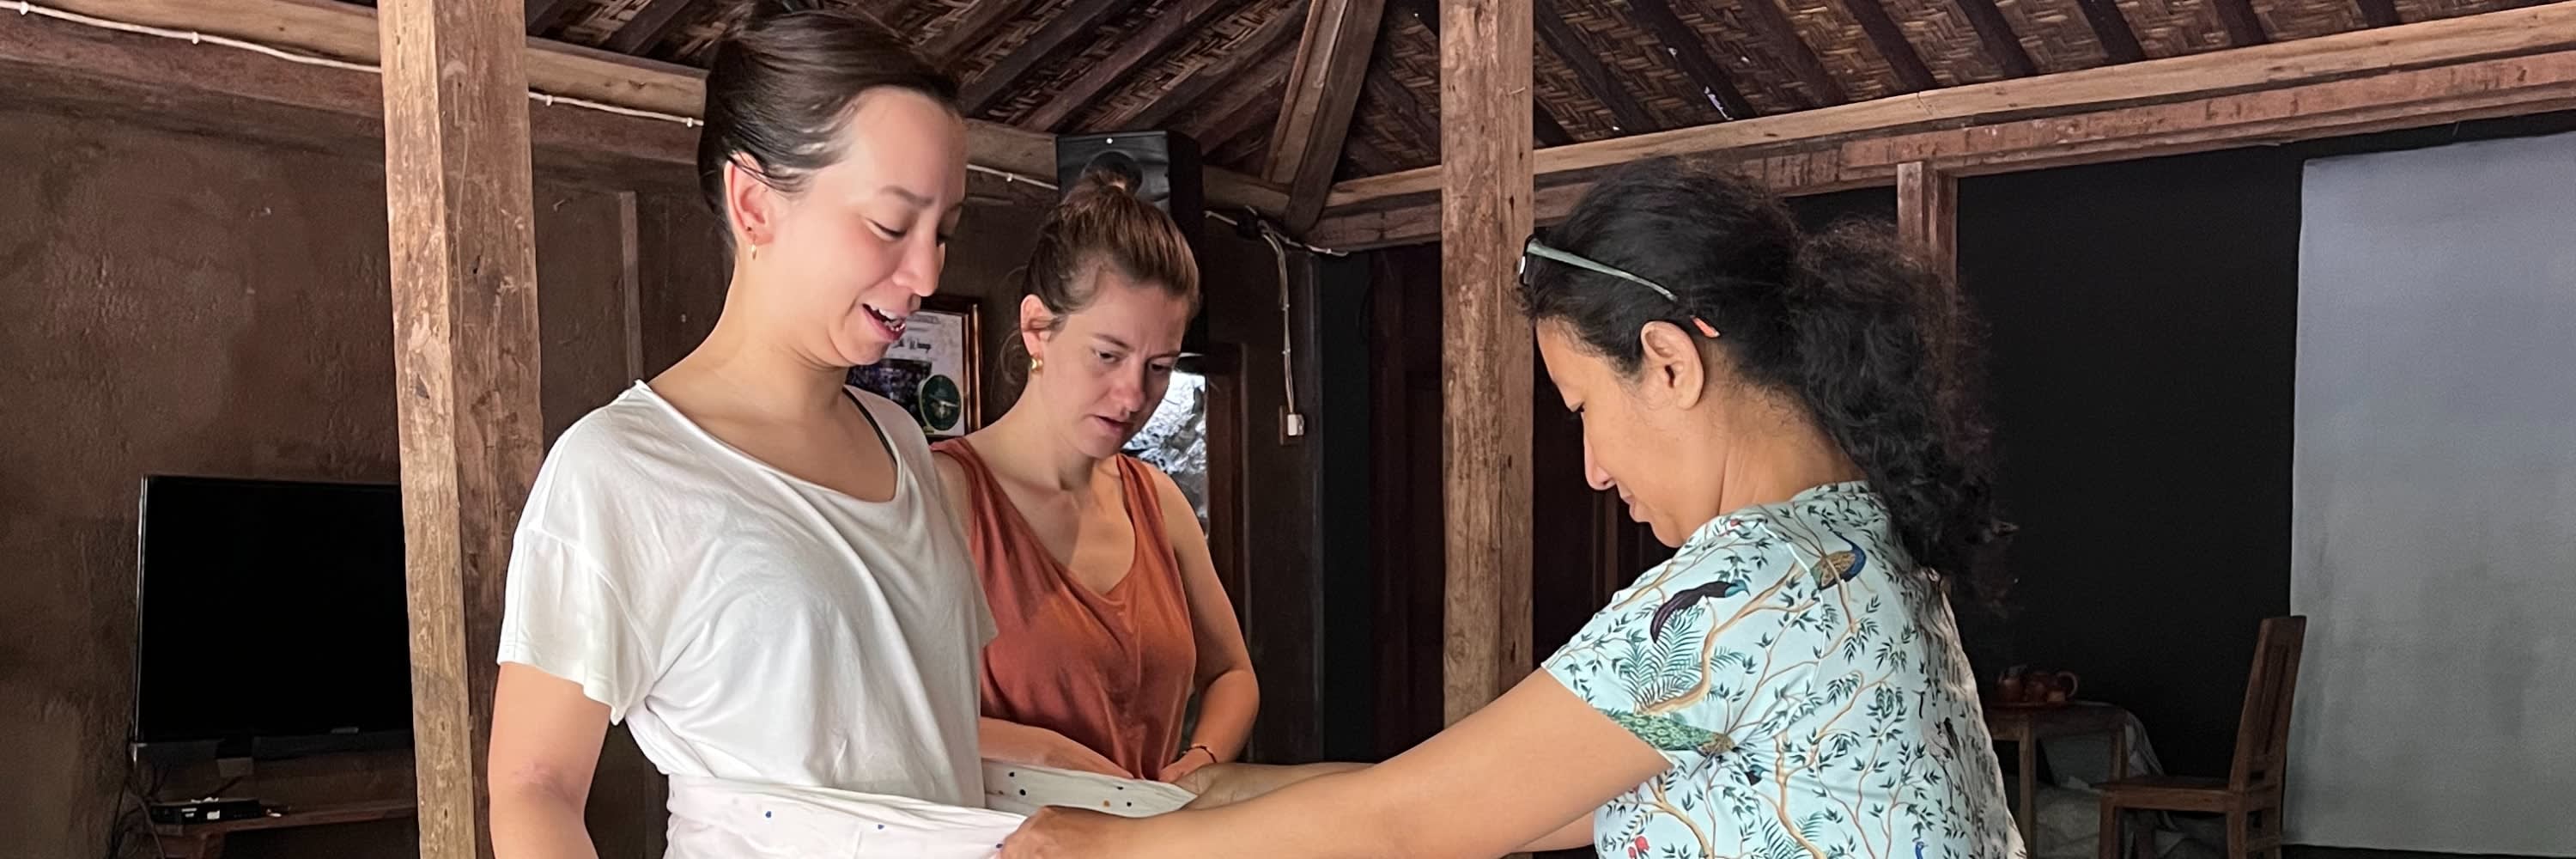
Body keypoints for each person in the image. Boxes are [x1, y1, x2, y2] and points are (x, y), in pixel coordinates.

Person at [999, 158, 2023, 859]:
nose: (1594, 469)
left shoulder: (1741, 589)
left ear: (1670, 363)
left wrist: (1120, 847)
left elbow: (1412, 822)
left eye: (1583, 409)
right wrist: (1217, 796)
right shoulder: (1855, 540)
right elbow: (1518, 802)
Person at [485, 3, 983, 856]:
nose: (926, 271)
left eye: (945, 232)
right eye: (891, 225)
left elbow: (926, 741)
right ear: (755, 204)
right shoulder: (622, 469)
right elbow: (535, 787)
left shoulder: (903, 442)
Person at [933, 172, 1259, 784]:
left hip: (1151, 831)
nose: (1133, 395)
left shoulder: (1157, 500)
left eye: (1159, 367)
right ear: (1037, 328)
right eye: (1108, 355)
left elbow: (1233, 674)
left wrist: (1200, 763)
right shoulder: (942, 494)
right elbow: (873, 714)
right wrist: (1048, 756)